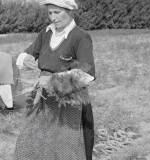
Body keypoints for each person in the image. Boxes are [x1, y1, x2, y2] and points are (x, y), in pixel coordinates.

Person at [14, 0, 95, 159]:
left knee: (64, 146)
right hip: (43, 97)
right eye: (50, 13)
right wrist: (25, 59)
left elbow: (88, 74)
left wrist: (53, 80)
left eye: (57, 12)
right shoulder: (46, 33)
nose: (53, 17)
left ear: (69, 11)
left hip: (67, 100)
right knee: (32, 140)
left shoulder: (80, 37)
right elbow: (27, 53)